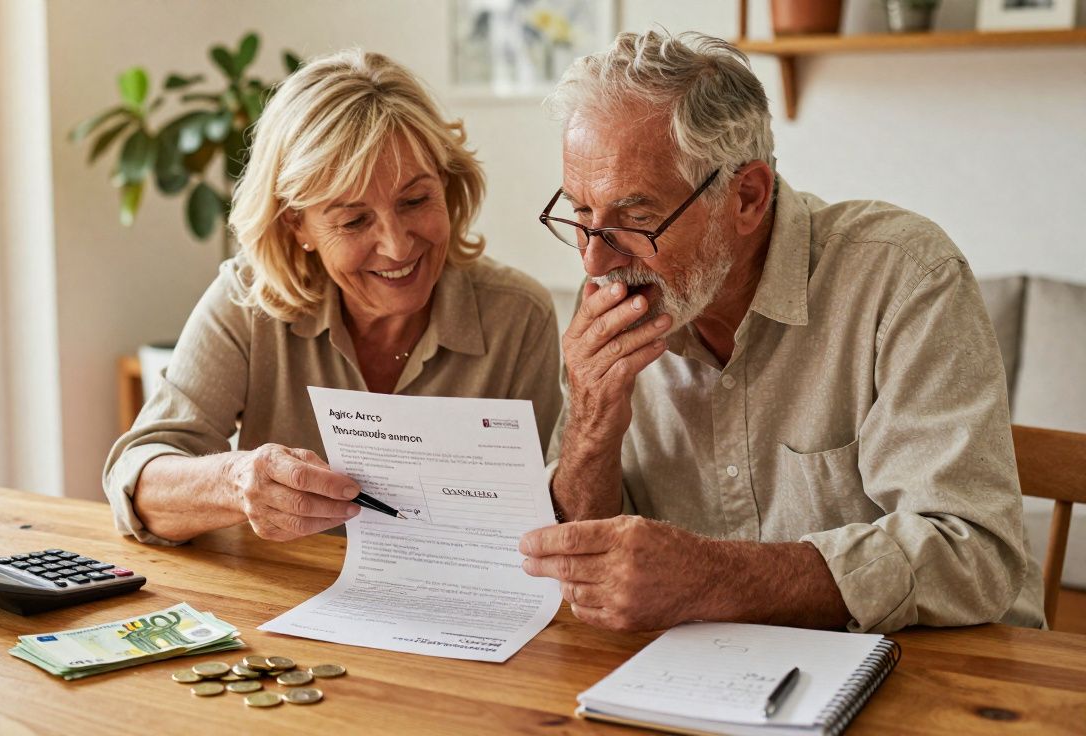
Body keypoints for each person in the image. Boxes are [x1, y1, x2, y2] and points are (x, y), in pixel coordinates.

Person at [518, 30, 1044, 634]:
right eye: (582, 215)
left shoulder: (904, 277)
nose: (594, 262)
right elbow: (576, 571)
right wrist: (590, 423)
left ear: (746, 197)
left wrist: (713, 577)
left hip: (943, 670)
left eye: (637, 218)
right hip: (708, 677)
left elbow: (971, 552)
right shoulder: (616, 309)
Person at [103, 49, 561, 546]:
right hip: (279, 602)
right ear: (296, 223)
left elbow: (546, 519)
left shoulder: (518, 316)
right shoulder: (249, 301)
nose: (397, 245)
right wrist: (239, 482)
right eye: (353, 220)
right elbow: (138, 484)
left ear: (447, 187)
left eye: (415, 201)